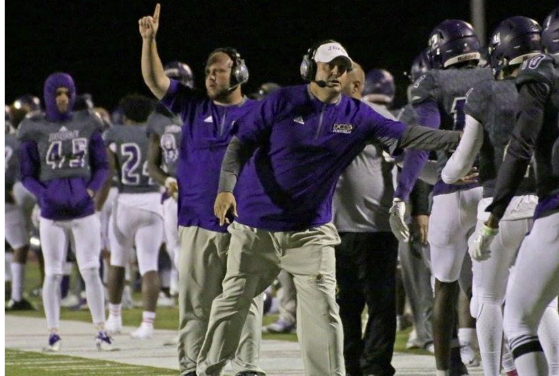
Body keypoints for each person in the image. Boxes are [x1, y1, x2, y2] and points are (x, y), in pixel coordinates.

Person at [207, 39, 463, 376]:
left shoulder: (357, 115)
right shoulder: (282, 100)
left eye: (342, 66)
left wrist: (462, 138)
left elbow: (408, 136)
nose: (336, 72)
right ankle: (206, 369)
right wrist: (226, 189)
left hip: (310, 231)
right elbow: (240, 145)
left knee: (325, 310)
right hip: (258, 225)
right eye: (330, 64)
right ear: (309, 68)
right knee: (234, 302)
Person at [139, 5, 265, 376]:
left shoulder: (258, 112)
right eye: (208, 72)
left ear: (238, 73)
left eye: (219, 71)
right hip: (196, 216)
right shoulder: (193, 105)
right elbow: (155, 81)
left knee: (247, 299)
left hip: (246, 219)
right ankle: (191, 366)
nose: (211, 77)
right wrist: (150, 41)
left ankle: (246, 366)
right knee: (195, 300)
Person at [440, 16, 559, 376]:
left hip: (508, 204)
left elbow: (494, 153)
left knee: (491, 299)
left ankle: (493, 371)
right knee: (544, 304)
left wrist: (446, 176)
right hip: (536, 206)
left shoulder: (497, 89)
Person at [390, 20, 493, 376]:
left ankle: (447, 369)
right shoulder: (495, 76)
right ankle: (506, 362)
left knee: (444, 288)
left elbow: (420, 141)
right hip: (493, 190)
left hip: (451, 194)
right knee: (494, 290)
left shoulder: (431, 83)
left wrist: (402, 195)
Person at [17, 72, 114, 352]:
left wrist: (92, 190)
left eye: (67, 93)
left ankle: (101, 331)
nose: (63, 98)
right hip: (51, 213)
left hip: (84, 211)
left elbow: (102, 165)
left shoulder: (86, 122)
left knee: (92, 270)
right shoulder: (34, 127)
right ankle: (53, 333)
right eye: (58, 93)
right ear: (49, 95)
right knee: (54, 273)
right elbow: (26, 174)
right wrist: (45, 194)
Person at [333, 62, 399, 376]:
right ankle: (350, 366)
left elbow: (410, 159)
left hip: (378, 227)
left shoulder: (381, 118)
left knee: (382, 304)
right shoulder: (324, 118)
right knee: (346, 306)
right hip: (336, 228)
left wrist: (424, 203)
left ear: (356, 86)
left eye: (338, 80)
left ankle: (376, 366)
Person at [99, 94, 165, 339]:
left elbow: (108, 175)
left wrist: (97, 204)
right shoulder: (156, 131)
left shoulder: (114, 133)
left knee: (117, 261)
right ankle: (147, 323)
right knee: (149, 264)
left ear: (124, 115)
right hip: (152, 201)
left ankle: (114, 318)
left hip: (125, 201)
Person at [5, 124, 35, 311]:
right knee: (20, 246)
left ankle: (11, 291)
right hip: (7, 195)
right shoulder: (14, 142)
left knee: (14, 244)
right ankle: (16, 297)